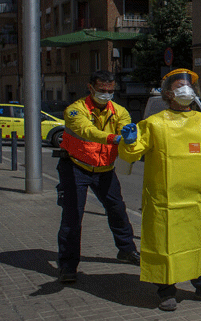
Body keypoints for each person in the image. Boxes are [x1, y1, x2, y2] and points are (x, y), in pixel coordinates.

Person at [118, 68, 201, 311]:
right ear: (168, 94)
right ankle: (166, 291)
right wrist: (128, 142)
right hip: (164, 200)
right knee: (165, 243)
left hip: (198, 198)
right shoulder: (154, 123)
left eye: (189, 86)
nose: (186, 91)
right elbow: (134, 152)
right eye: (180, 86)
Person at [56, 70, 139, 284]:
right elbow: (87, 132)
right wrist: (114, 138)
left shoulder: (120, 111)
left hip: (104, 169)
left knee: (117, 209)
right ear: (90, 87)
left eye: (110, 91)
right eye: (102, 90)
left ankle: (127, 250)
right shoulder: (75, 110)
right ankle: (67, 266)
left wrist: (130, 139)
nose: (106, 94)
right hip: (76, 166)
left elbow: (126, 130)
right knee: (72, 217)